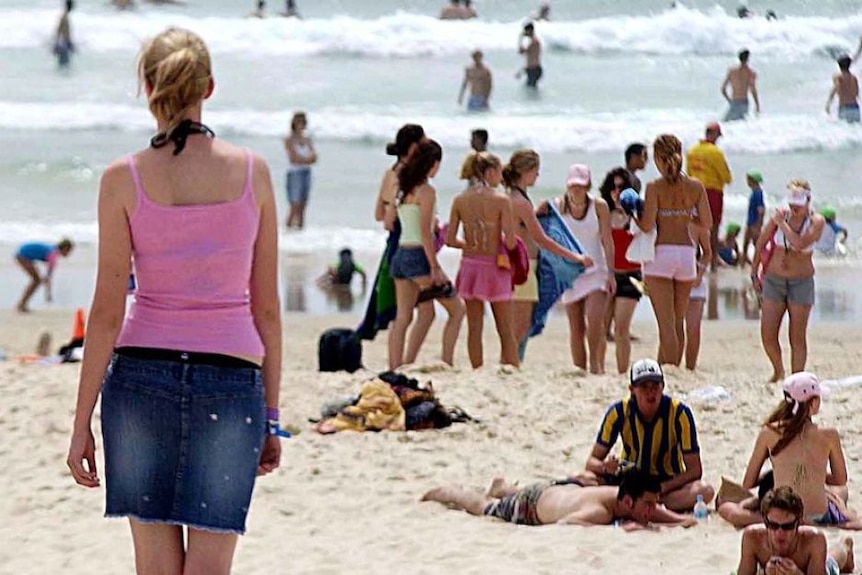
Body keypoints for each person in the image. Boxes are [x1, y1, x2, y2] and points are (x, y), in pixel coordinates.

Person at [66, 28, 282, 574]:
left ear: (147, 87)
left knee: (155, 568)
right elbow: (267, 310)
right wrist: (273, 416)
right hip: (231, 379)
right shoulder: (253, 173)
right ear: (209, 86)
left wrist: (81, 420)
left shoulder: (122, 179)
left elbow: (108, 311)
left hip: (139, 381)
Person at [718, 373, 861, 530]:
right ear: (812, 403)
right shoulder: (829, 434)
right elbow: (840, 480)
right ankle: (828, 516)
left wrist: (778, 472)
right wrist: (815, 473)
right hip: (819, 515)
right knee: (841, 492)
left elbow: (748, 483)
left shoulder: (769, 432)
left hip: (782, 516)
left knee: (727, 508)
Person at [578, 359, 715, 512]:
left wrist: (661, 488)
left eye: (655, 386)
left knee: (705, 490)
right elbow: (591, 462)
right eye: (644, 387)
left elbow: (695, 470)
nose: (651, 392)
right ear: (632, 390)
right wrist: (606, 467)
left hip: (666, 481)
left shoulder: (679, 413)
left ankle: (639, 504)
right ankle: (646, 505)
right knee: (585, 478)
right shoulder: (618, 412)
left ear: (663, 386)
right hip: (630, 477)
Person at [505, 150, 592, 361]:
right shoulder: (520, 202)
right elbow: (541, 239)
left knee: (519, 324)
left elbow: (521, 228)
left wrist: (535, 214)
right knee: (521, 325)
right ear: (525, 171)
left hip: (519, 265)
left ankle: (513, 364)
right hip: (524, 267)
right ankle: (510, 365)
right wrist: (575, 257)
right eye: (535, 170)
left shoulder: (514, 198)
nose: (538, 174)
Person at [387, 139, 465, 370]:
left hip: (400, 254)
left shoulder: (402, 188)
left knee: (405, 317)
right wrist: (435, 266)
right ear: (433, 164)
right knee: (457, 309)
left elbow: (390, 222)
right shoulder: (427, 191)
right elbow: (423, 233)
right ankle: (447, 361)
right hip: (418, 256)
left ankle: (398, 366)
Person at [361, 124, 437, 361]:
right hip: (409, 241)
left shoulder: (390, 172)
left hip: (396, 243)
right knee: (420, 310)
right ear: (414, 146)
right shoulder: (408, 176)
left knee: (402, 313)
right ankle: (406, 361)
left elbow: (379, 215)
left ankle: (398, 363)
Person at [640, 135, 712, 365]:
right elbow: (707, 222)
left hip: (661, 253)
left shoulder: (654, 187)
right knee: (677, 322)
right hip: (686, 255)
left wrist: (635, 214)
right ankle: (667, 369)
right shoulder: (695, 186)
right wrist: (683, 215)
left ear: (659, 159)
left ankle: (667, 371)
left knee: (666, 326)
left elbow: (648, 225)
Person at [422, 470, 696, 529]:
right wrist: (619, 528)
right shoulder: (598, 512)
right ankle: (442, 493)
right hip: (532, 507)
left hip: (558, 490)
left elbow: (652, 511)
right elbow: (566, 524)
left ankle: (504, 486)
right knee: (483, 507)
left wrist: (681, 520)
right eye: (647, 504)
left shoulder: (624, 495)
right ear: (627, 503)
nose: (652, 509)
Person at [446, 152, 518, 368]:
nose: (501, 177)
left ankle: (477, 369)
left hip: (470, 267)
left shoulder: (459, 200)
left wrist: (469, 246)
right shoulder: (501, 200)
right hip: (495, 266)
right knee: (505, 327)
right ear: (490, 172)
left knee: (474, 327)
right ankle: (513, 368)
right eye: (499, 171)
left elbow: (450, 239)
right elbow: (511, 242)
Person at [751, 180, 824, 382]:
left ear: (808, 200)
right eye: (792, 202)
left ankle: (796, 378)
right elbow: (761, 242)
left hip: (801, 282)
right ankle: (778, 369)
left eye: (799, 203)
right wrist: (753, 271)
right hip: (774, 280)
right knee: (767, 333)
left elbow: (800, 243)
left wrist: (782, 223)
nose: (794, 208)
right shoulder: (780, 216)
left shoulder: (816, 221)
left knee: (797, 336)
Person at [551, 164, 614, 374]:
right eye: (573, 185)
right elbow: (553, 241)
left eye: (580, 185)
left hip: (597, 272)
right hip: (570, 274)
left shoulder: (599, 206)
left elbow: (607, 240)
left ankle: (597, 368)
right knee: (576, 328)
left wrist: (612, 273)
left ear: (588, 185)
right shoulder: (559, 206)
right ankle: (580, 370)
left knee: (595, 323)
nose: (576, 190)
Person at [736, 486, 856, 575]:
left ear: (799, 523)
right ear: (765, 522)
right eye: (773, 525)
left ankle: (846, 545)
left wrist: (797, 574)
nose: (780, 533)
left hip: (810, 570)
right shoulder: (752, 537)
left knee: (831, 562)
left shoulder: (814, 539)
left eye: (787, 526)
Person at [599, 170, 641, 374]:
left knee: (621, 328)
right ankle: (597, 369)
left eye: (621, 187)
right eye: (613, 187)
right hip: (607, 274)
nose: (616, 191)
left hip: (631, 274)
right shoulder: (602, 213)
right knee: (600, 326)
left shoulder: (637, 215)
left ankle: (622, 372)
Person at [686, 122, 732, 271]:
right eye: (717, 135)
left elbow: (688, 174)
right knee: (713, 226)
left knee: (695, 225)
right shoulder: (715, 153)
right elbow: (726, 177)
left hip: (694, 191)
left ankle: (695, 260)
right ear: (712, 134)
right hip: (712, 192)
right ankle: (712, 262)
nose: (718, 138)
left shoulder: (692, 151)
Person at [15, 239, 74, 313]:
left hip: (24, 254)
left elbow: (47, 277)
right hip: (22, 255)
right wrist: (48, 294)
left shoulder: (52, 250)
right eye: (69, 251)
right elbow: (48, 278)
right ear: (65, 248)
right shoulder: (53, 255)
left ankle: (22, 304)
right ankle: (21, 305)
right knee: (36, 280)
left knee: (37, 280)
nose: (69, 254)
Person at [683, 223, 712, 370]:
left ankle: (690, 367)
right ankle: (672, 365)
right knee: (674, 328)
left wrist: (700, 273)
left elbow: (707, 252)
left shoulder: (698, 225)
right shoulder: (666, 218)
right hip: (673, 281)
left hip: (694, 281)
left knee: (693, 328)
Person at [284, 111, 317, 229]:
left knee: (303, 205)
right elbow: (293, 159)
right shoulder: (289, 139)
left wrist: (304, 159)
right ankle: (287, 230)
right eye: (300, 122)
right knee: (294, 205)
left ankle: (300, 232)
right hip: (295, 173)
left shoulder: (307, 139)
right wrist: (307, 159)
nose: (302, 124)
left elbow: (315, 157)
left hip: (306, 172)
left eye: (303, 122)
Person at [722, 49, 761, 121]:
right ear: (748, 59)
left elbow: (723, 89)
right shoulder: (750, 73)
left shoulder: (732, 71)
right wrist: (757, 105)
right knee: (740, 124)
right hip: (744, 103)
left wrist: (729, 101)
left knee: (726, 123)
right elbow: (753, 91)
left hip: (734, 102)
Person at [825, 55, 860, 123]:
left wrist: (828, 104)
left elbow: (834, 90)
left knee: (844, 132)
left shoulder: (838, 77)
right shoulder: (854, 78)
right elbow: (856, 93)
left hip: (844, 108)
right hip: (855, 108)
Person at [742, 170, 766, 267]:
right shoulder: (755, 192)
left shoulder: (757, 193)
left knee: (756, 243)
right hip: (751, 221)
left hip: (753, 222)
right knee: (747, 242)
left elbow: (761, 210)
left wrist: (758, 225)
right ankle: (744, 261)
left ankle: (761, 262)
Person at [518, 23, 543, 89]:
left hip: (534, 70)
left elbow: (522, 52)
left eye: (526, 31)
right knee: (530, 88)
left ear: (530, 31)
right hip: (532, 69)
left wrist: (520, 39)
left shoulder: (534, 42)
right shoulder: (533, 41)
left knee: (530, 88)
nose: (525, 33)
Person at [54, 0, 74, 68]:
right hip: (63, 44)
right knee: (64, 65)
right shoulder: (64, 17)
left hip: (64, 43)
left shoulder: (65, 16)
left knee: (63, 64)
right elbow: (59, 30)